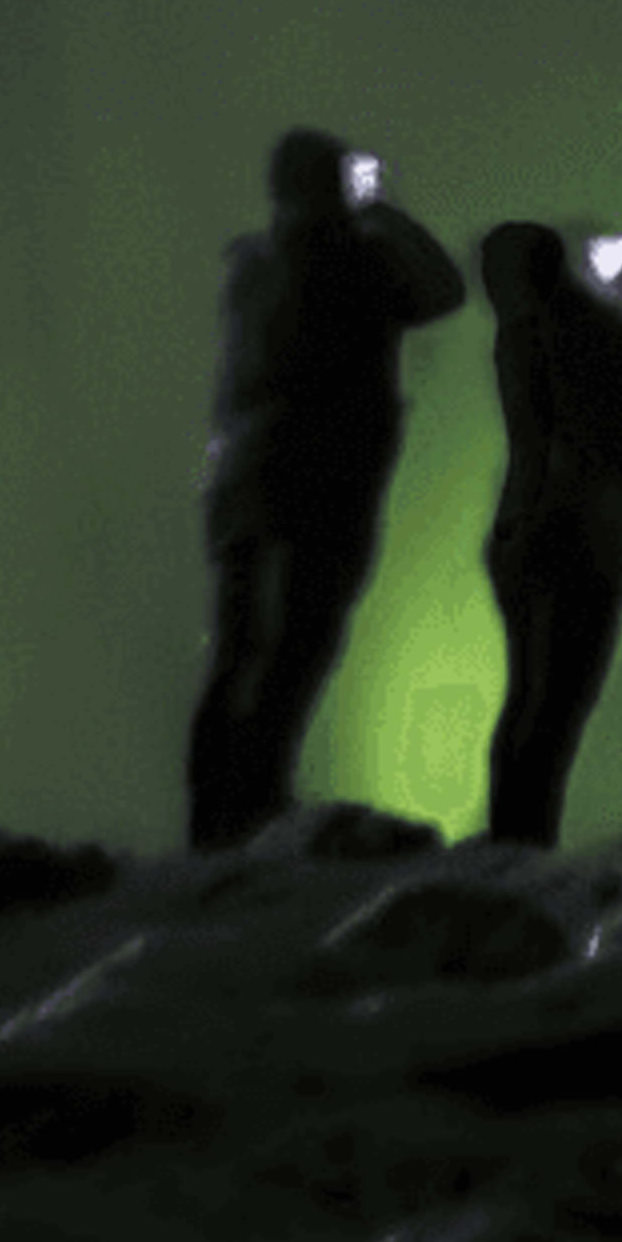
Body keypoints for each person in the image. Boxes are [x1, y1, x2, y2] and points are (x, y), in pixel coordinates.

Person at [186, 129, 466, 851]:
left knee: (241, 647)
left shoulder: (250, 266)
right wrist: (384, 211)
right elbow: (442, 291)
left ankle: (218, 817)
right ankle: (255, 802)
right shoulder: (354, 260)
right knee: (302, 639)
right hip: (325, 481)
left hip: (243, 479)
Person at [479, 216, 622, 849]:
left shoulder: (518, 336)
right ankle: (526, 840)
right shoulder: (593, 333)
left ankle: (513, 839)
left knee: (528, 699)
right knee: (559, 704)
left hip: (525, 532)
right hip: (584, 538)